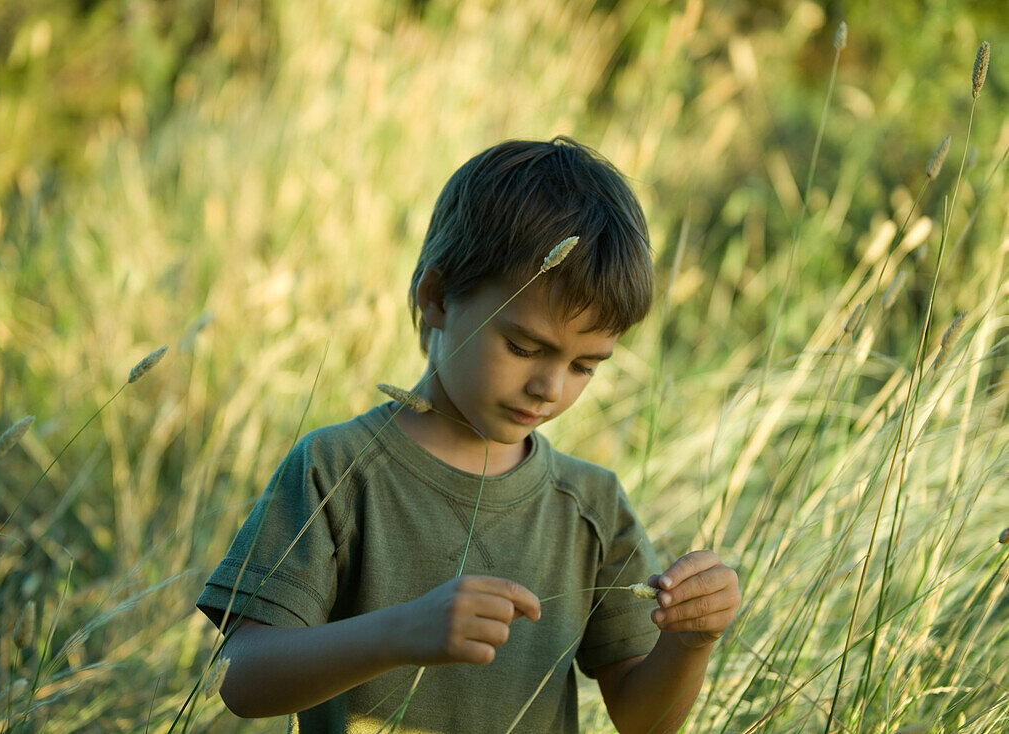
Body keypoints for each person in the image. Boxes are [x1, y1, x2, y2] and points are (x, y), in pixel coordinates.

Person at [196, 136, 741, 733]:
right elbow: (244, 679)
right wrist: (402, 632)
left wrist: (691, 643)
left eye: (585, 365)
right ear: (437, 297)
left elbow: (644, 721)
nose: (550, 387)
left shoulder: (592, 507)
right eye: (524, 347)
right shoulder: (337, 469)